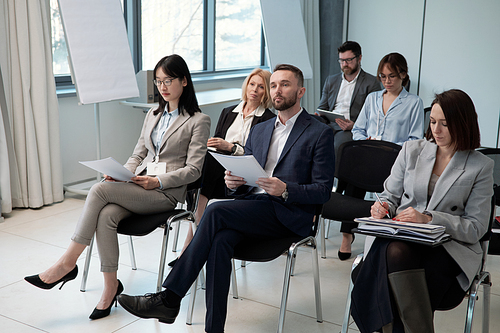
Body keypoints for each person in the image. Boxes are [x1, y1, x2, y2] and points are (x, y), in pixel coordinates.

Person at [117, 64, 335, 333]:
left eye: (285, 85)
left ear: (300, 91)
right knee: (220, 241)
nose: (277, 90)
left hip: (288, 213)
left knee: (216, 211)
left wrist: (285, 189)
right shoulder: (261, 129)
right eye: (274, 84)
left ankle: (170, 297)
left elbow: (323, 191)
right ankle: (213, 329)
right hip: (255, 207)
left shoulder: (319, 132)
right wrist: (234, 183)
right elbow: (246, 182)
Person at [24, 54, 211, 320]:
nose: (163, 87)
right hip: (139, 187)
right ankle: (110, 287)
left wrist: (157, 181)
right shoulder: (153, 114)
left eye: (168, 80)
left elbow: (193, 170)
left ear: (184, 81)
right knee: (106, 214)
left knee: (98, 190)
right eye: (158, 82)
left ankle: (67, 263)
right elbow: (138, 154)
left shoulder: (198, 120)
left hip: (165, 193)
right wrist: (122, 173)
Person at [350, 89, 494, 333]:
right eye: (432, 121)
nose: (435, 130)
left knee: (388, 260)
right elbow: (390, 196)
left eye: (445, 124)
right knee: (395, 252)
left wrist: (429, 219)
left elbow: (476, 228)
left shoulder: (481, 166)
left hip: (449, 248)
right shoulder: (411, 150)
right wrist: (383, 205)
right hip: (404, 238)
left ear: (463, 124)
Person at [169, 68, 276, 267]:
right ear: (246, 86)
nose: (255, 90)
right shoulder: (229, 112)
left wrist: (231, 148)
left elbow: (259, 157)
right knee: (205, 158)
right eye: (252, 84)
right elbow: (215, 143)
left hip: (243, 174)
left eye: (261, 86)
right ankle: (194, 241)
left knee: (207, 167)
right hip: (219, 173)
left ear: (266, 92)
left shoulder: (268, 119)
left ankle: (192, 237)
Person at [339, 52, 424, 259]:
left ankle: (383, 236)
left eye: (392, 76)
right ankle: (346, 235)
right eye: (382, 76)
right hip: (368, 156)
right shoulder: (372, 98)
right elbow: (357, 129)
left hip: (394, 161)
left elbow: (415, 140)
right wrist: (365, 141)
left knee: (371, 181)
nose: (386, 81)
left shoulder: (414, 102)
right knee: (352, 175)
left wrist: (388, 147)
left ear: (403, 75)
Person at [317, 41, 381, 157]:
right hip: (329, 123)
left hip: (350, 128)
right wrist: (318, 115)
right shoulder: (331, 81)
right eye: (341, 60)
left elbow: (374, 117)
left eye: (349, 60)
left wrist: (354, 125)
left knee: (337, 146)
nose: (344, 64)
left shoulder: (371, 83)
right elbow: (322, 107)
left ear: (359, 58)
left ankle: (335, 176)